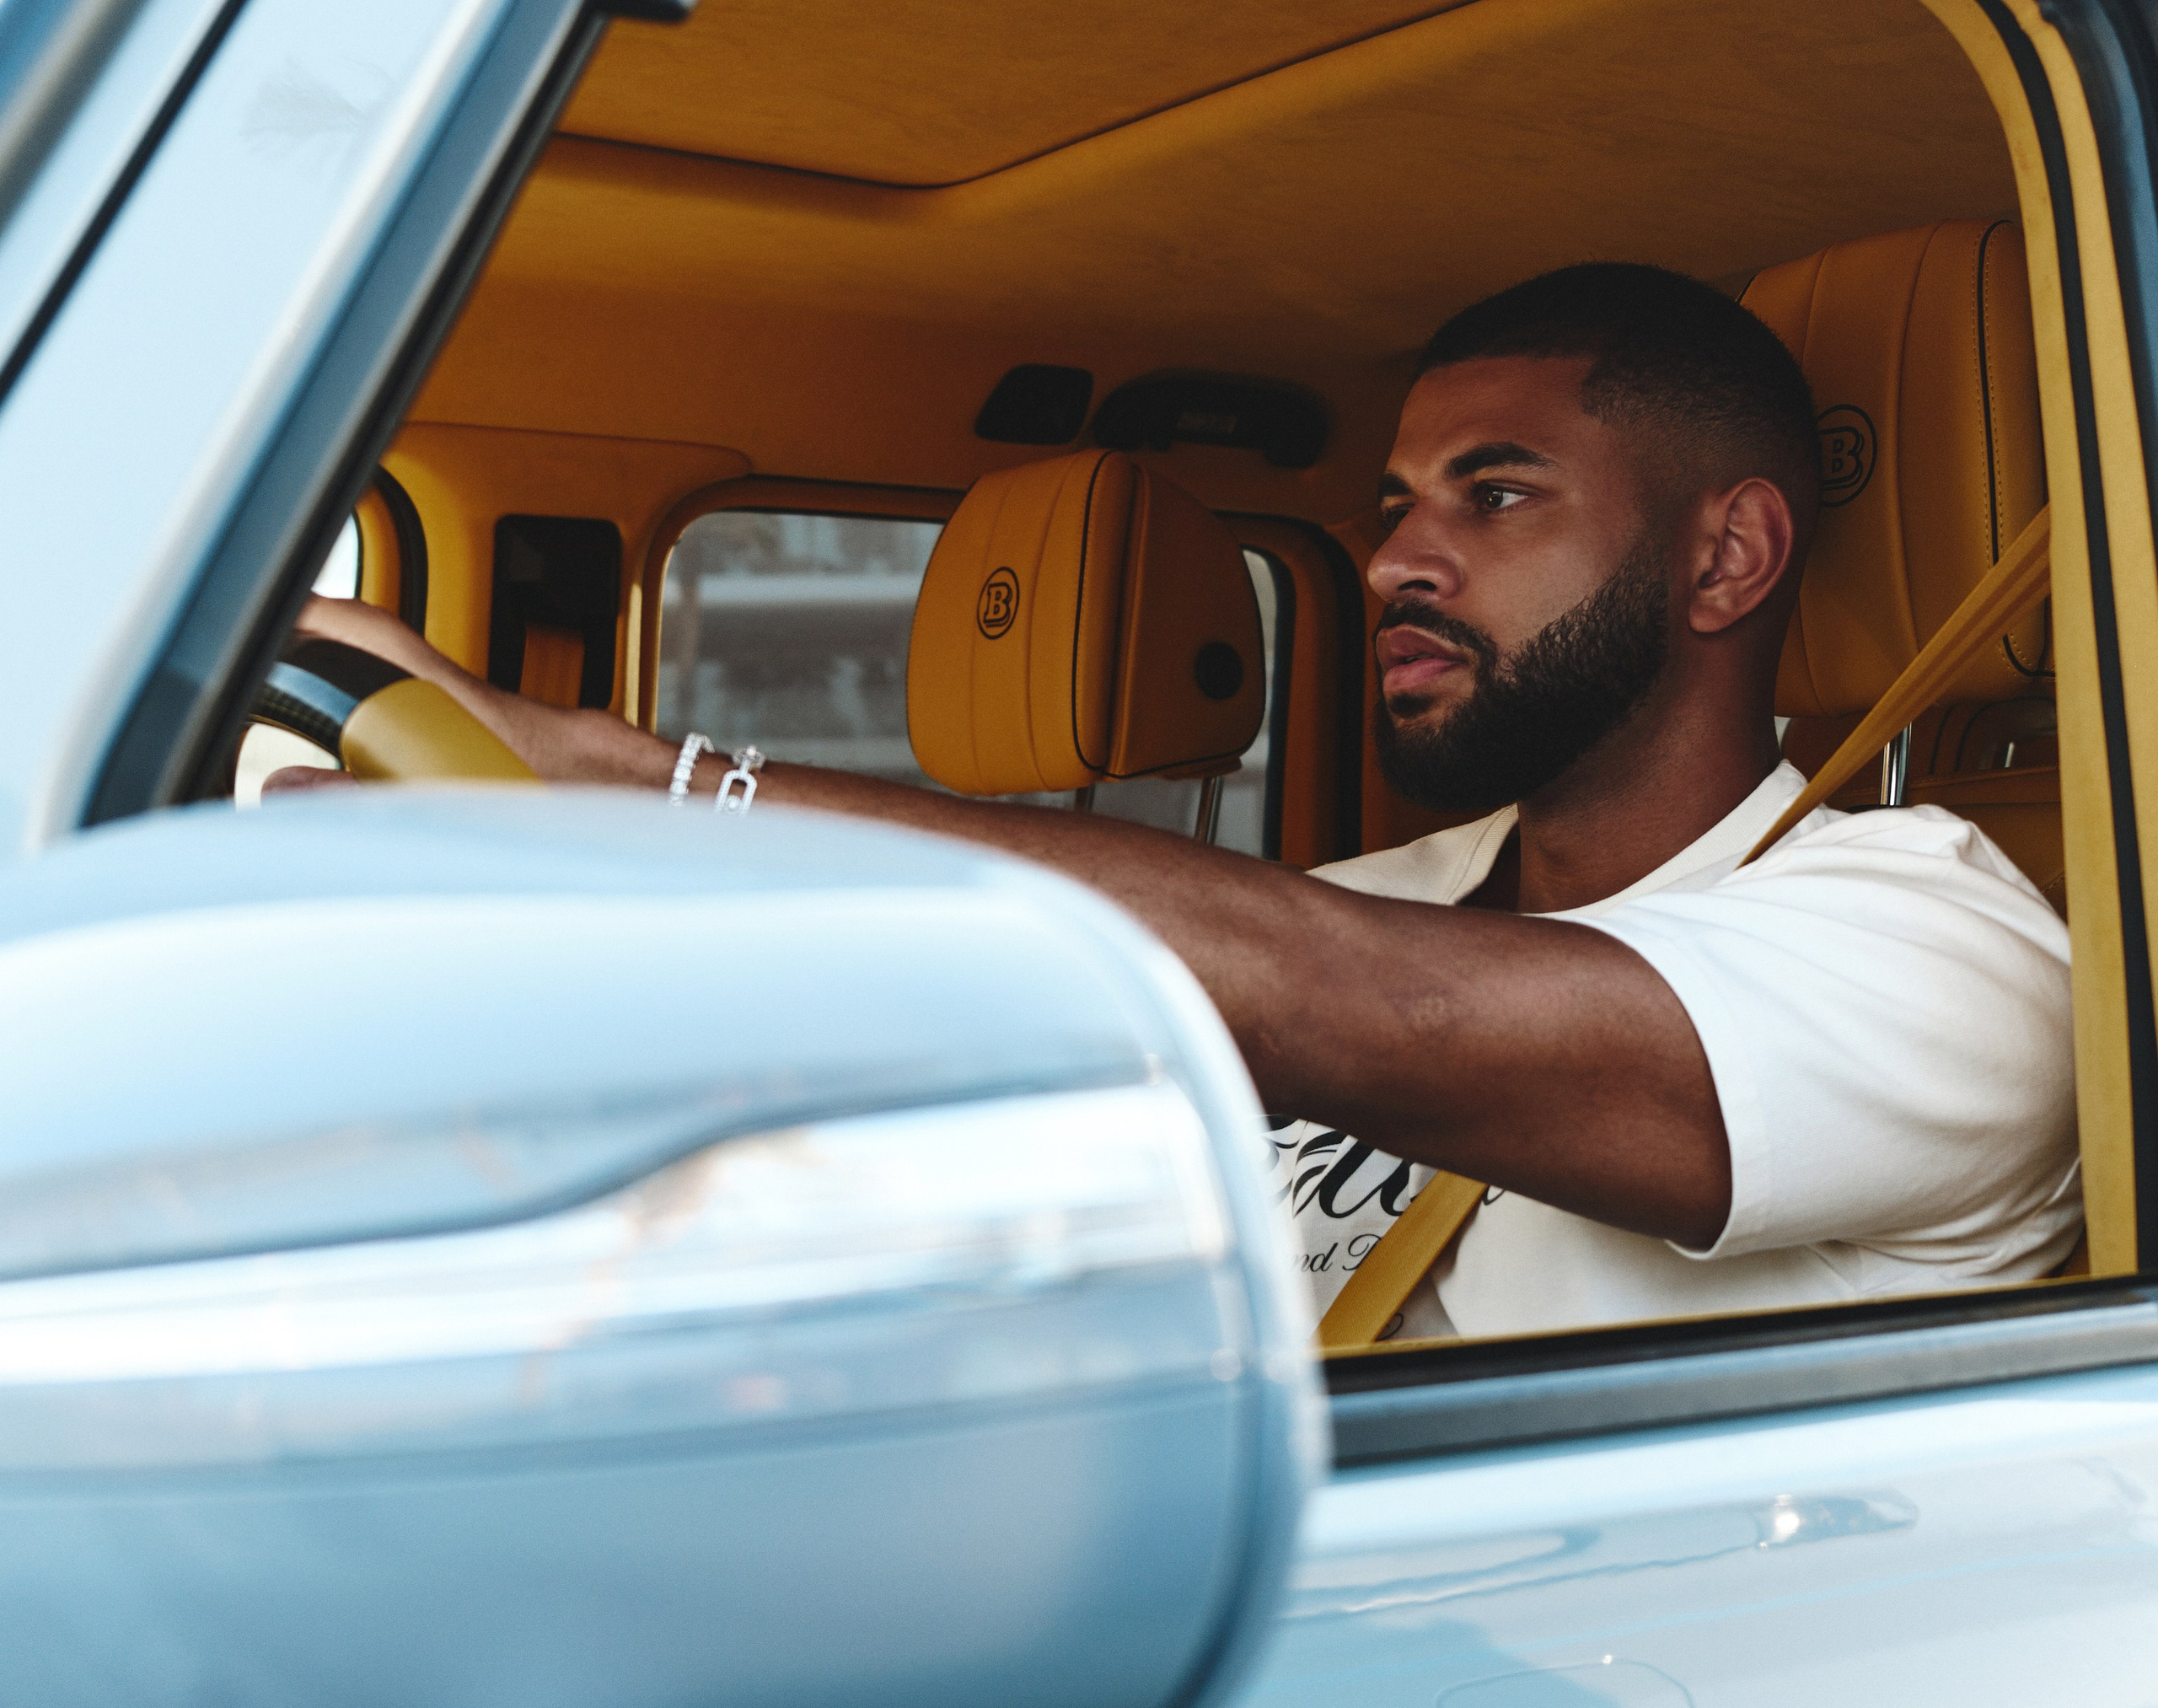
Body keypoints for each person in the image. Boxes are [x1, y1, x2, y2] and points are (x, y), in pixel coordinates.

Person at [285, 264, 2081, 1337]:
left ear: (1726, 557)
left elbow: (1337, 1000)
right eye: (1388, 506)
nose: (1396, 560)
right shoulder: (1407, 882)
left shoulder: (1946, 945)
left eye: (1495, 494)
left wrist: (622, 778)